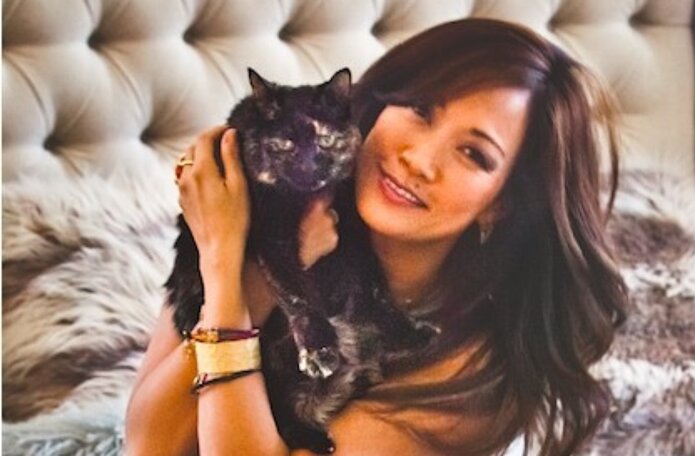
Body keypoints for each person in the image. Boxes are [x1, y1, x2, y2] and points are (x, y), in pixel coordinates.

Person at [124, 18, 628, 456]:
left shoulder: (472, 376)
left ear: (501, 203)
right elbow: (148, 445)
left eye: (473, 154)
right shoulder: (265, 206)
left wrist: (225, 275)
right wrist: (250, 272)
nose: (420, 160)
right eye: (421, 110)